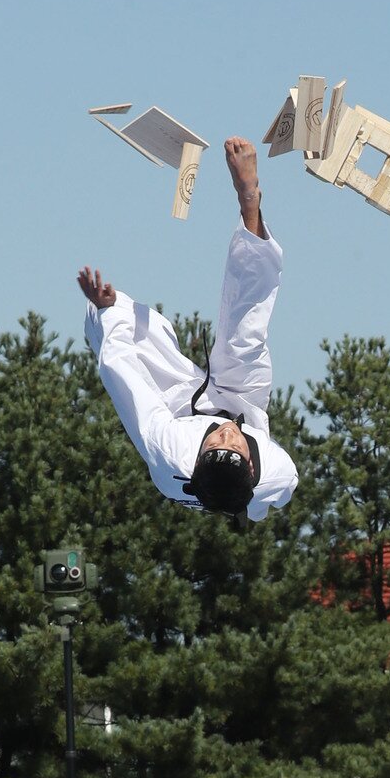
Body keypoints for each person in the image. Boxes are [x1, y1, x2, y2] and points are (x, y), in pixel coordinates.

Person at [78, 139, 297, 520]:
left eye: (217, 444)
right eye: (236, 445)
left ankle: (109, 314)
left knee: (132, 331)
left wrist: (108, 311)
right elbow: (263, 498)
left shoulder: (169, 450)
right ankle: (250, 203)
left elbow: (125, 380)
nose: (227, 434)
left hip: (177, 407)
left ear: (198, 459)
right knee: (245, 339)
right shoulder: (277, 475)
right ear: (251, 467)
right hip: (242, 401)